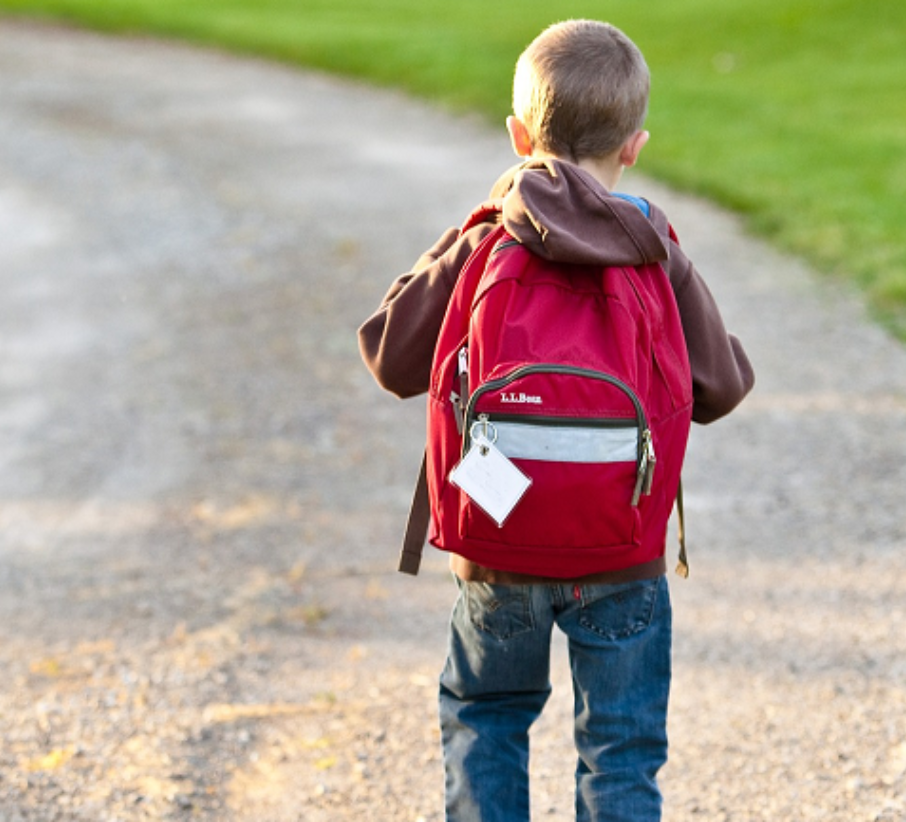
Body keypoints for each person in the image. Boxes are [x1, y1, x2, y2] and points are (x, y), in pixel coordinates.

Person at [357, 19, 754, 822]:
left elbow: (389, 354)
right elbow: (722, 388)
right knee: (619, 751)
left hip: (499, 539)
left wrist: (470, 229)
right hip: (621, 547)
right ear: (634, 145)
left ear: (517, 134)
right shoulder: (653, 247)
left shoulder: (486, 240)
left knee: (487, 717)